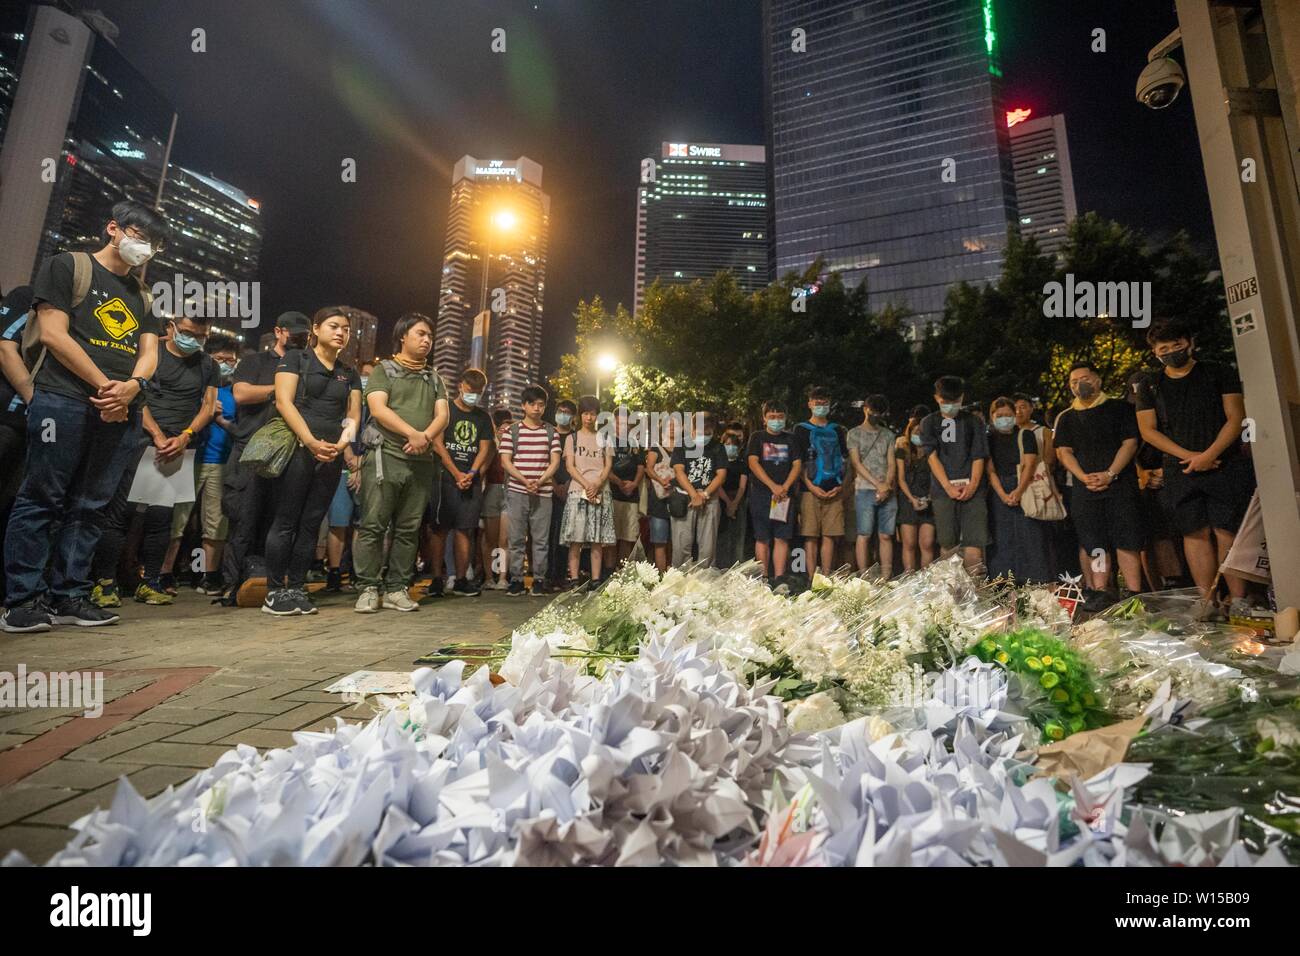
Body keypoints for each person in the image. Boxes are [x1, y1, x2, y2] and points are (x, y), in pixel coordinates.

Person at [2, 201, 168, 632]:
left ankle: (69, 594)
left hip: (120, 409)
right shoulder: (67, 267)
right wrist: (106, 386)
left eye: (154, 245)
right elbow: (54, 334)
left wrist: (132, 389)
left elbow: (149, 353)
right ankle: (22, 599)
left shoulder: (145, 295)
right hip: (63, 399)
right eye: (140, 237)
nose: (145, 249)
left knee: (92, 504)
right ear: (113, 228)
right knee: (42, 497)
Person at [1135, 317, 1253, 607]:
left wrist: (1210, 454)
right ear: (1155, 352)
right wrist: (1190, 458)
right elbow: (1147, 430)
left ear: (1190, 343)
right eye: (1164, 347)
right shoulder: (1150, 384)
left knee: (1227, 530)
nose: (1171, 351)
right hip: (1181, 468)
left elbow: (1235, 417)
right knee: (1194, 533)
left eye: (1177, 344)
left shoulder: (1217, 372)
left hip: (1223, 463)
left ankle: (1238, 598)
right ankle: (1206, 599)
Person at [261, 307, 362, 616]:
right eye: (333, 326)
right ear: (316, 329)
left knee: (311, 523)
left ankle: (297, 587)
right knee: (286, 520)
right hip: (298, 448)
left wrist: (343, 442)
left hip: (331, 453)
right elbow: (283, 402)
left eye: (345, 328)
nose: (340, 332)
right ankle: (275, 591)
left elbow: (353, 414)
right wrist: (309, 440)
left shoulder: (350, 372)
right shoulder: (296, 359)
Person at [352, 313, 449, 612]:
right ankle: (368, 586)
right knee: (373, 524)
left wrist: (426, 437)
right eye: (420, 334)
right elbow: (378, 409)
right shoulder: (384, 370)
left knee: (409, 528)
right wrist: (412, 433)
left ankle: (397, 588)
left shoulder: (434, 377)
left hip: (421, 463)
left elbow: (443, 415)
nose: (426, 340)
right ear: (403, 336)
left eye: (429, 336)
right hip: (386, 457)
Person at [220, 311, 311, 603]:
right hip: (250, 452)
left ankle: (269, 586)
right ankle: (231, 587)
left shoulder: (306, 365)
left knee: (278, 524)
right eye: (293, 334)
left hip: (287, 454)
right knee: (242, 523)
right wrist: (280, 389)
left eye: (303, 336)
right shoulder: (255, 361)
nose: (298, 340)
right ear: (279, 332)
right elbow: (242, 394)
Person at [1054, 362, 1144, 610]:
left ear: (1097, 380)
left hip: (1120, 484)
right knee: (1095, 543)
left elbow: (1130, 444)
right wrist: (1083, 477)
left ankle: (1133, 592)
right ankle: (1100, 590)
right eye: (1073, 382)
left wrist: (1110, 473)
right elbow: (1064, 452)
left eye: (1084, 378)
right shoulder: (1067, 418)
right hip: (1085, 488)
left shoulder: (1119, 408)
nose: (1079, 385)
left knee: (1126, 539)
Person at [161, 332, 238, 596]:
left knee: (215, 523)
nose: (225, 364)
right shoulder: (197, 381)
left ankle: (209, 575)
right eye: (219, 359)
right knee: (178, 519)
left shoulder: (235, 392)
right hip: (190, 455)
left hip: (220, 461)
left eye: (230, 360)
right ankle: (165, 573)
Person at [918, 376, 989, 572]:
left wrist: (972, 486)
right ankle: (951, 594)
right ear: (936, 398)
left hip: (973, 491)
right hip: (943, 491)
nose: (950, 406)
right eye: (945, 402)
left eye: (955, 401)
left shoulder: (974, 422)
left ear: (962, 398)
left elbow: (978, 456)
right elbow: (932, 457)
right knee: (948, 544)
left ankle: (976, 592)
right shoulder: (928, 422)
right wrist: (948, 487)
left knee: (974, 543)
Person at [431, 366, 489, 597]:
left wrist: (472, 473)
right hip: (444, 478)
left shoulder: (483, 417)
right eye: (470, 389)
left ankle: (461, 579)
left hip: (470, 480)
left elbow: (485, 447)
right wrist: (456, 473)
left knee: (465, 530)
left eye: (478, 391)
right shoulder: (445, 410)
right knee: (439, 530)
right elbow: (437, 443)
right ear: (460, 386)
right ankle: (437, 578)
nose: (473, 394)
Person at [499, 384, 562, 596]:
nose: (537, 408)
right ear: (523, 406)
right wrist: (526, 481)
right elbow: (506, 462)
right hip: (517, 490)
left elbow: (554, 462)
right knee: (516, 538)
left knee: (541, 539)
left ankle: (538, 579)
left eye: (541, 405)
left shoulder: (551, 432)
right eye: (532, 404)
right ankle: (516, 579)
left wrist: (540, 480)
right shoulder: (512, 431)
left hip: (543, 493)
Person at [985, 396, 1053, 583]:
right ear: (992, 417)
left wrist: (1018, 490)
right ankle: (1002, 580)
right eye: (999, 415)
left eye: (1008, 414)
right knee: (1001, 538)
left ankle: (1034, 579)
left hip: (1025, 486)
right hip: (998, 489)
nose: (1004, 418)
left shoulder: (1025, 434)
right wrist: (1002, 494)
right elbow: (990, 469)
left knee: (1030, 536)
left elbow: (1031, 464)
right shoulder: (988, 439)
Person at [0, 285, 35, 602]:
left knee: (15, 505)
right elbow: (5, 348)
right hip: (8, 416)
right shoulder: (28, 296)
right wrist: (33, 398)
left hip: (35, 426)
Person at [746, 400, 803, 584]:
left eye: (779, 417)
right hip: (762, 494)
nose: (776, 420)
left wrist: (785, 487)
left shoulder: (791, 439)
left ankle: (779, 578)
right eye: (772, 417)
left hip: (785, 496)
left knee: (782, 537)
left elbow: (797, 464)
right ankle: (763, 577)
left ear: (785, 418)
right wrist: (773, 486)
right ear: (764, 418)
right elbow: (753, 462)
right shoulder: (757, 437)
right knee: (762, 537)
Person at [560, 395, 615, 584]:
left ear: (597, 416)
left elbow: (608, 465)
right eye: (585, 414)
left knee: (597, 539)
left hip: (601, 491)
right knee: (576, 538)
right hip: (577, 491)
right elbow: (570, 466)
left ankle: (596, 579)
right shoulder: (571, 438)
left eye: (592, 414)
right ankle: (574, 579)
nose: (589, 418)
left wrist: (597, 484)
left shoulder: (605, 438)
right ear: (580, 415)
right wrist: (586, 484)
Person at [796, 386, 849, 577]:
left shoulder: (837, 430)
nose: (821, 406)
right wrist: (810, 486)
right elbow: (799, 463)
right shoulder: (800, 429)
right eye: (817, 403)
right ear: (809, 404)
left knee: (830, 535)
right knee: (810, 536)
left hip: (834, 488)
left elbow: (844, 459)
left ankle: (825, 579)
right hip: (809, 490)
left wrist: (841, 486)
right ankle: (812, 580)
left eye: (824, 403)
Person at [847, 394, 897, 576]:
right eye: (873, 410)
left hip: (887, 490)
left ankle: (886, 577)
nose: (875, 414)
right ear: (865, 409)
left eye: (879, 412)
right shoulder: (853, 433)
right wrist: (878, 484)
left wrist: (886, 485)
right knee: (864, 534)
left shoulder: (888, 435)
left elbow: (891, 463)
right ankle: (864, 576)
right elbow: (856, 463)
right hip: (864, 489)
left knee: (886, 535)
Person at [670, 411, 728, 568]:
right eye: (701, 431)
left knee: (708, 548)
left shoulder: (718, 447)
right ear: (692, 429)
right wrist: (693, 494)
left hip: (710, 499)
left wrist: (705, 494)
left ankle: (705, 585)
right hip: (684, 498)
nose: (705, 435)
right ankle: (678, 584)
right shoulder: (682, 445)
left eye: (708, 432)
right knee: (681, 546)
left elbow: (721, 474)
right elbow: (679, 471)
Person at [895, 405, 936, 572]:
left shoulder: (933, 451)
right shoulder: (902, 450)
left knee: (926, 543)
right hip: (908, 500)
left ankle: (926, 580)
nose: (918, 435)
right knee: (909, 544)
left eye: (921, 432)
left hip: (929, 501)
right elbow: (901, 478)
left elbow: (937, 477)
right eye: (915, 432)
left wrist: (928, 498)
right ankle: (909, 577)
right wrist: (912, 499)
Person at [605, 406, 646, 573]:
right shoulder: (607, 441)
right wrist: (620, 483)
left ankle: (623, 572)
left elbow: (641, 467)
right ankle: (608, 572)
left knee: (628, 537)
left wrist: (634, 484)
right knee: (610, 538)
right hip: (612, 494)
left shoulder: (635, 443)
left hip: (632, 496)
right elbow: (605, 467)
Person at [545, 398, 577, 590]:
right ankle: (546, 575)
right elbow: (543, 462)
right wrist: (555, 485)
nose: (563, 414)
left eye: (567, 412)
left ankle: (560, 576)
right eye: (560, 410)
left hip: (570, 491)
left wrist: (567, 486)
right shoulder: (548, 433)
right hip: (548, 490)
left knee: (566, 536)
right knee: (547, 536)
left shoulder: (575, 437)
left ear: (573, 416)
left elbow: (577, 464)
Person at [480, 407, 512, 589]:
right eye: (501, 428)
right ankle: (488, 577)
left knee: (504, 539)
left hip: (509, 492)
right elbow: (483, 470)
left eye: (509, 428)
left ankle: (502, 577)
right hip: (492, 491)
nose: (505, 432)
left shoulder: (515, 446)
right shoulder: (490, 446)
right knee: (489, 539)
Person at [642, 415, 679, 573]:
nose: (671, 428)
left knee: (676, 541)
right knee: (660, 541)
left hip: (678, 499)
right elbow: (648, 468)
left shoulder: (683, 448)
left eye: (674, 425)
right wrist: (661, 480)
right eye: (668, 425)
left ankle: (673, 575)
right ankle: (662, 576)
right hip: (659, 501)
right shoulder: (656, 448)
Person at [715, 421, 749, 568]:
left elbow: (742, 486)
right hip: (721, 500)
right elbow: (717, 484)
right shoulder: (718, 463)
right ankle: (720, 567)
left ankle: (737, 567)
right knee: (722, 536)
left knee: (738, 537)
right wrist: (728, 503)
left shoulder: (742, 464)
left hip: (738, 501)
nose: (731, 447)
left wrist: (734, 503)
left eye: (734, 445)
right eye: (727, 444)